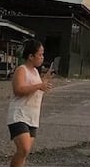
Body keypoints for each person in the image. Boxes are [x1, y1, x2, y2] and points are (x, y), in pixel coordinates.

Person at [7, 39, 53, 167]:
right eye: (40, 55)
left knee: (23, 153)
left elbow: (36, 89)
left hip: (32, 116)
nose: (42, 58)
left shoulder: (35, 72)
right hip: (19, 115)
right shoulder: (21, 70)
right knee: (24, 148)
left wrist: (44, 82)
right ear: (31, 56)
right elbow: (19, 90)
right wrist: (39, 85)